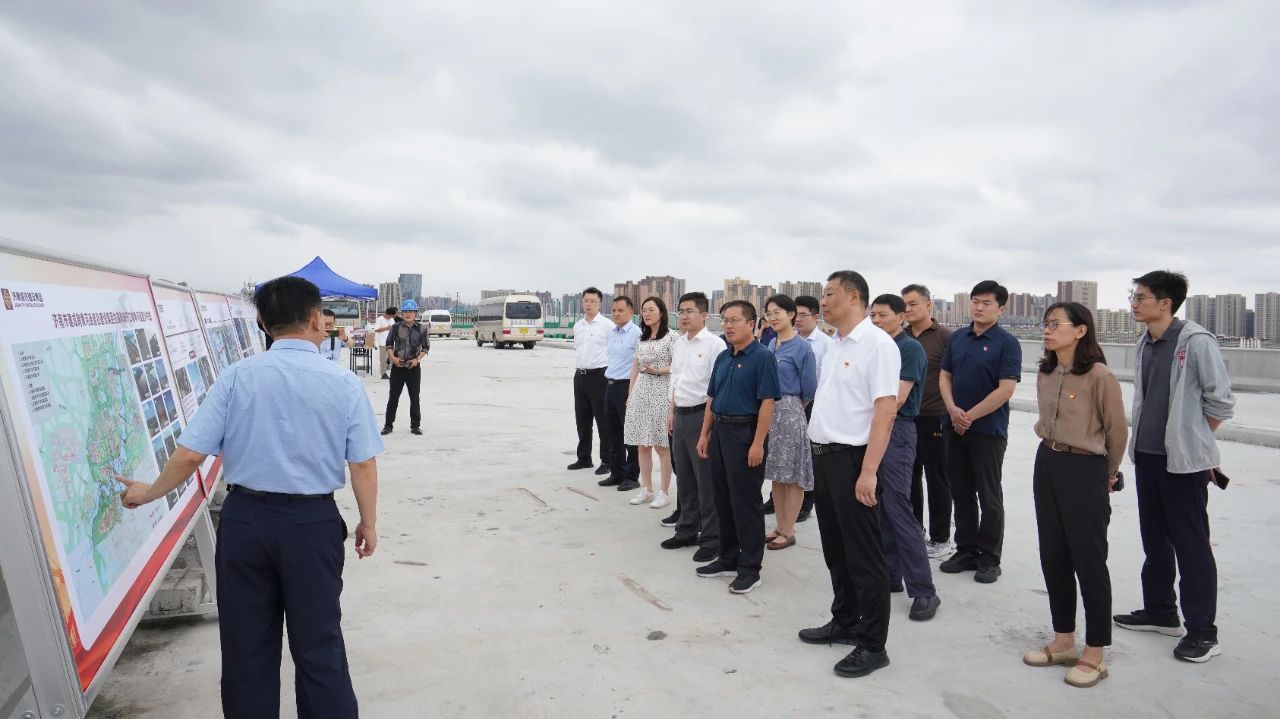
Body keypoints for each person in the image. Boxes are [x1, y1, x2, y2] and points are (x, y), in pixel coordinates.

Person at [118, 276, 381, 718]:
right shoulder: (343, 383)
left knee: (246, 649)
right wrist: (368, 523)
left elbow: (190, 454)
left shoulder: (237, 377)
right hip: (311, 525)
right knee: (320, 646)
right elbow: (363, 465)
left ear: (261, 321)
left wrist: (149, 492)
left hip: (245, 523)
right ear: (317, 318)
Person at [1114, 271, 1235, 663]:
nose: (1134, 303)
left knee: (1191, 545)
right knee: (1154, 539)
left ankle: (1203, 633)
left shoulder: (1196, 342)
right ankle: (1161, 611)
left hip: (1182, 464)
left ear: (1165, 303)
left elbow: (1220, 402)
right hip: (1147, 457)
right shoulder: (1145, 341)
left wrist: (1192, 440)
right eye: (1133, 296)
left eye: (1141, 297)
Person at [799, 271, 900, 678]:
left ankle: (873, 645)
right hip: (824, 458)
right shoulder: (835, 344)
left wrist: (869, 471)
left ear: (854, 297)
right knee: (836, 549)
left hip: (854, 461)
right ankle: (844, 620)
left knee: (864, 556)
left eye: (829, 294)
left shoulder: (878, 345)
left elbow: (886, 411)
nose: (823, 302)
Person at [1024, 302, 1127, 688]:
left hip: (1085, 468)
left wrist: (1108, 473)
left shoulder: (1100, 376)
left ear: (1081, 330)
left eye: (1056, 324)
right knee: (1053, 554)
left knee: (1089, 559)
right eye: (1045, 324)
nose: (1047, 331)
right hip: (1048, 462)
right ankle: (1064, 639)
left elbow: (1117, 431)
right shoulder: (1046, 371)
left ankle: (1095, 653)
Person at [695, 300, 780, 594]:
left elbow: (767, 402)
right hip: (720, 431)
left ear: (751, 324)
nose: (728, 326)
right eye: (725, 320)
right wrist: (704, 434)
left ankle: (750, 568)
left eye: (734, 320)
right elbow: (712, 398)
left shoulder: (762, 357)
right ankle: (728, 557)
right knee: (722, 498)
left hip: (745, 433)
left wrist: (758, 443)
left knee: (746, 502)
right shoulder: (723, 356)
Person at [938, 280, 1021, 584]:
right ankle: (966, 550)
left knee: (989, 495)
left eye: (987, 303)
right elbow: (945, 376)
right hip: (954, 426)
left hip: (987, 430)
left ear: (1001, 308)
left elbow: (1006, 388)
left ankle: (989, 558)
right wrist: (952, 410)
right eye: (976, 301)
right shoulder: (958, 338)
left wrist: (969, 416)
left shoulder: (1007, 343)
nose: (979, 307)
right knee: (960, 492)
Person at [869, 294, 940, 621]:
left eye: (882, 315)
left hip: (897, 430)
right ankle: (890, 572)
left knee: (898, 507)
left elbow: (897, 398)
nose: (876, 320)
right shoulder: (876, 346)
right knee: (878, 504)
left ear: (901, 317)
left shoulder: (908, 348)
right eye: (873, 315)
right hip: (872, 427)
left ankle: (924, 590)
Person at [663, 292, 726, 562]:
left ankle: (712, 538)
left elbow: (715, 389)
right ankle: (687, 529)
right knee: (685, 477)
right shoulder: (679, 344)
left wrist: (707, 429)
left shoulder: (715, 345)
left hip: (702, 416)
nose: (684, 316)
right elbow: (675, 381)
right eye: (681, 311)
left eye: (689, 311)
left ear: (704, 315)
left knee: (706, 481)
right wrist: (671, 412)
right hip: (681, 415)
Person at [902, 284, 954, 558]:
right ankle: (914, 531)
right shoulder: (901, 336)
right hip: (906, 418)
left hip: (935, 417)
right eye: (905, 304)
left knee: (937, 479)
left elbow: (954, 375)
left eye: (913, 304)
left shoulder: (945, 337)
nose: (908, 309)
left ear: (928, 305)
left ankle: (940, 537)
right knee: (909, 477)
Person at [761, 294, 817, 550]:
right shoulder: (771, 344)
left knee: (793, 475)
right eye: (769, 313)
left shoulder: (802, 347)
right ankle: (779, 526)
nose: (772, 317)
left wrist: (792, 408)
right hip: (769, 412)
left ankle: (789, 530)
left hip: (791, 412)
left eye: (778, 312)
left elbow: (809, 388)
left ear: (791, 314)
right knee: (777, 473)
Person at [623, 297, 677, 507]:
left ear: (661, 312)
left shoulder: (672, 337)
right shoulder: (642, 338)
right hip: (641, 390)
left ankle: (664, 492)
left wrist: (658, 371)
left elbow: (678, 366)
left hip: (662, 391)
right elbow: (635, 366)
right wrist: (630, 394)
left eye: (651, 310)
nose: (646, 314)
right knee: (642, 444)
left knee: (662, 446)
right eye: (644, 310)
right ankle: (646, 489)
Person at [569, 287, 613, 476]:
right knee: (582, 419)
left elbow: (614, 352)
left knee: (603, 421)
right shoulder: (578, 326)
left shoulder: (607, 326)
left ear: (600, 304)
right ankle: (584, 458)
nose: (588, 304)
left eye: (593, 301)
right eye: (586, 300)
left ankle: (607, 460)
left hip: (599, 376)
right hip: (580, 376)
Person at [602, 297, 641, 491]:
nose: (616, 314)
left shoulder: (637, 334)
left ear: (631, 312)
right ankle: (616, 472)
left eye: (620, 310)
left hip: (626, 386)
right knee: (612, 433)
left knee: (630, 435)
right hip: (610, 385)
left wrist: (632, 392)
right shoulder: (612, 332)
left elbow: (639, 364)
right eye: (614, 310)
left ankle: (632, 476)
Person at [382, 299, 430, 436]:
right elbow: (389, 344)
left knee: (414, 398)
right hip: (398, 367)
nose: (408, 314)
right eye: (406, 311)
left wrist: (417, 359)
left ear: (416, 314)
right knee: (393, 397)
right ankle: (388, 425)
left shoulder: (422, 329)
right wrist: (392, 358)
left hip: (413, 368)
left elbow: (425, 347)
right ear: (402, 313)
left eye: (411, 311)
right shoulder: (395, 327)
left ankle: (415, 426)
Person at [373, 306, 398, 379]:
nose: (392, 317)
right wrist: (386, 328)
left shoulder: (391, 319)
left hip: (391, 342)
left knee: (393, 358)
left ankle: (395, 373)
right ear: (388, 314)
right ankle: (383, 374)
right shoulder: (379, 319)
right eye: (391, 315)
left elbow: (394, 328)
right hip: (383, 342)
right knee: (383, 359)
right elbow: (376, 329)